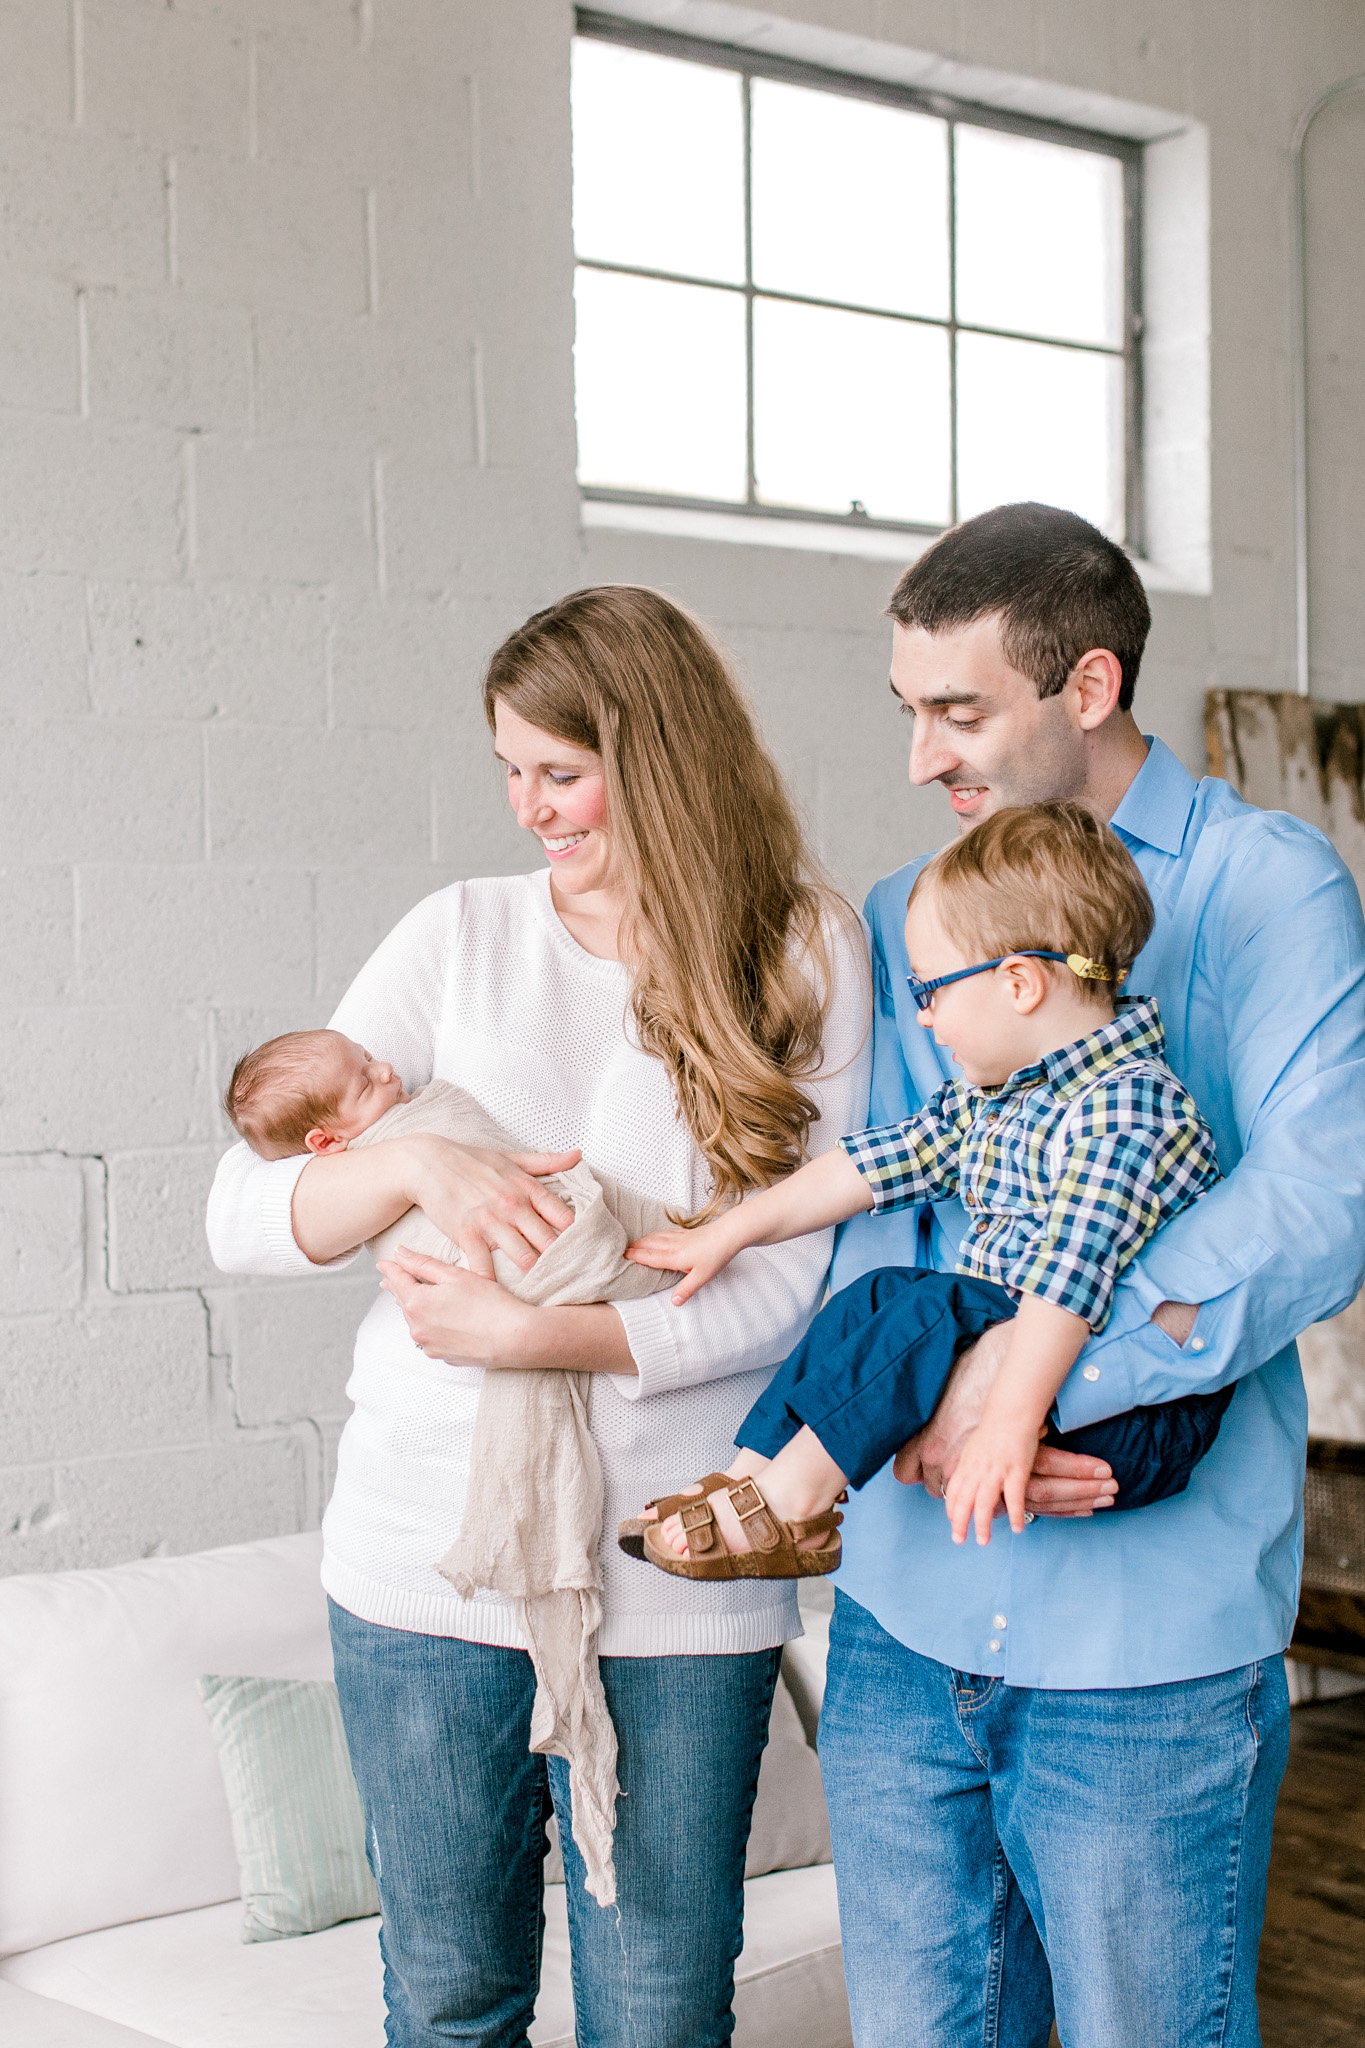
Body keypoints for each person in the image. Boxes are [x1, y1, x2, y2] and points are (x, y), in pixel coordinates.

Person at [206, 583, 875, 2048]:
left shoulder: (806, 949)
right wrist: (412, 1160)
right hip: (424, 1560)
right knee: (452, 2000)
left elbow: (790, 1278)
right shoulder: (460, 936)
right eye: (507, 769)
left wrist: (544, 1337)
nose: (528, 809)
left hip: (679, 1565)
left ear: (659, 755)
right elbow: (246, 1213)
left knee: (657, 2008)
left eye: (559, 773)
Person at [803, 501, 1365, 2048]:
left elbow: (1319, 1199)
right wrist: (923, 1415)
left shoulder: (1269, 891)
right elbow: (889, 1200)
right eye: (909, 712)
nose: (922, 758)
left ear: (1091, 688)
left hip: (1146, 1648)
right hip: (906, 1621)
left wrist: (1030, 1388)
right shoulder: (906, 912)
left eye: (960, 712)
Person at [625, 800, 1228, 1578]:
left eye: (932, 990)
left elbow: (1067, 1284)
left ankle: (796, 1501)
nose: (926, 1019)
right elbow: (868, 1167)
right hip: (1034, 1358)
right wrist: (730, 1232)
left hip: (1132, 1415)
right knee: (876, 1297)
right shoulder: (1002, 1097)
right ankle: (752, 1477)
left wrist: (1006, 1424)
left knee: (929, 1307)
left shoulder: (1124, 1105)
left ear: (1017, 984)